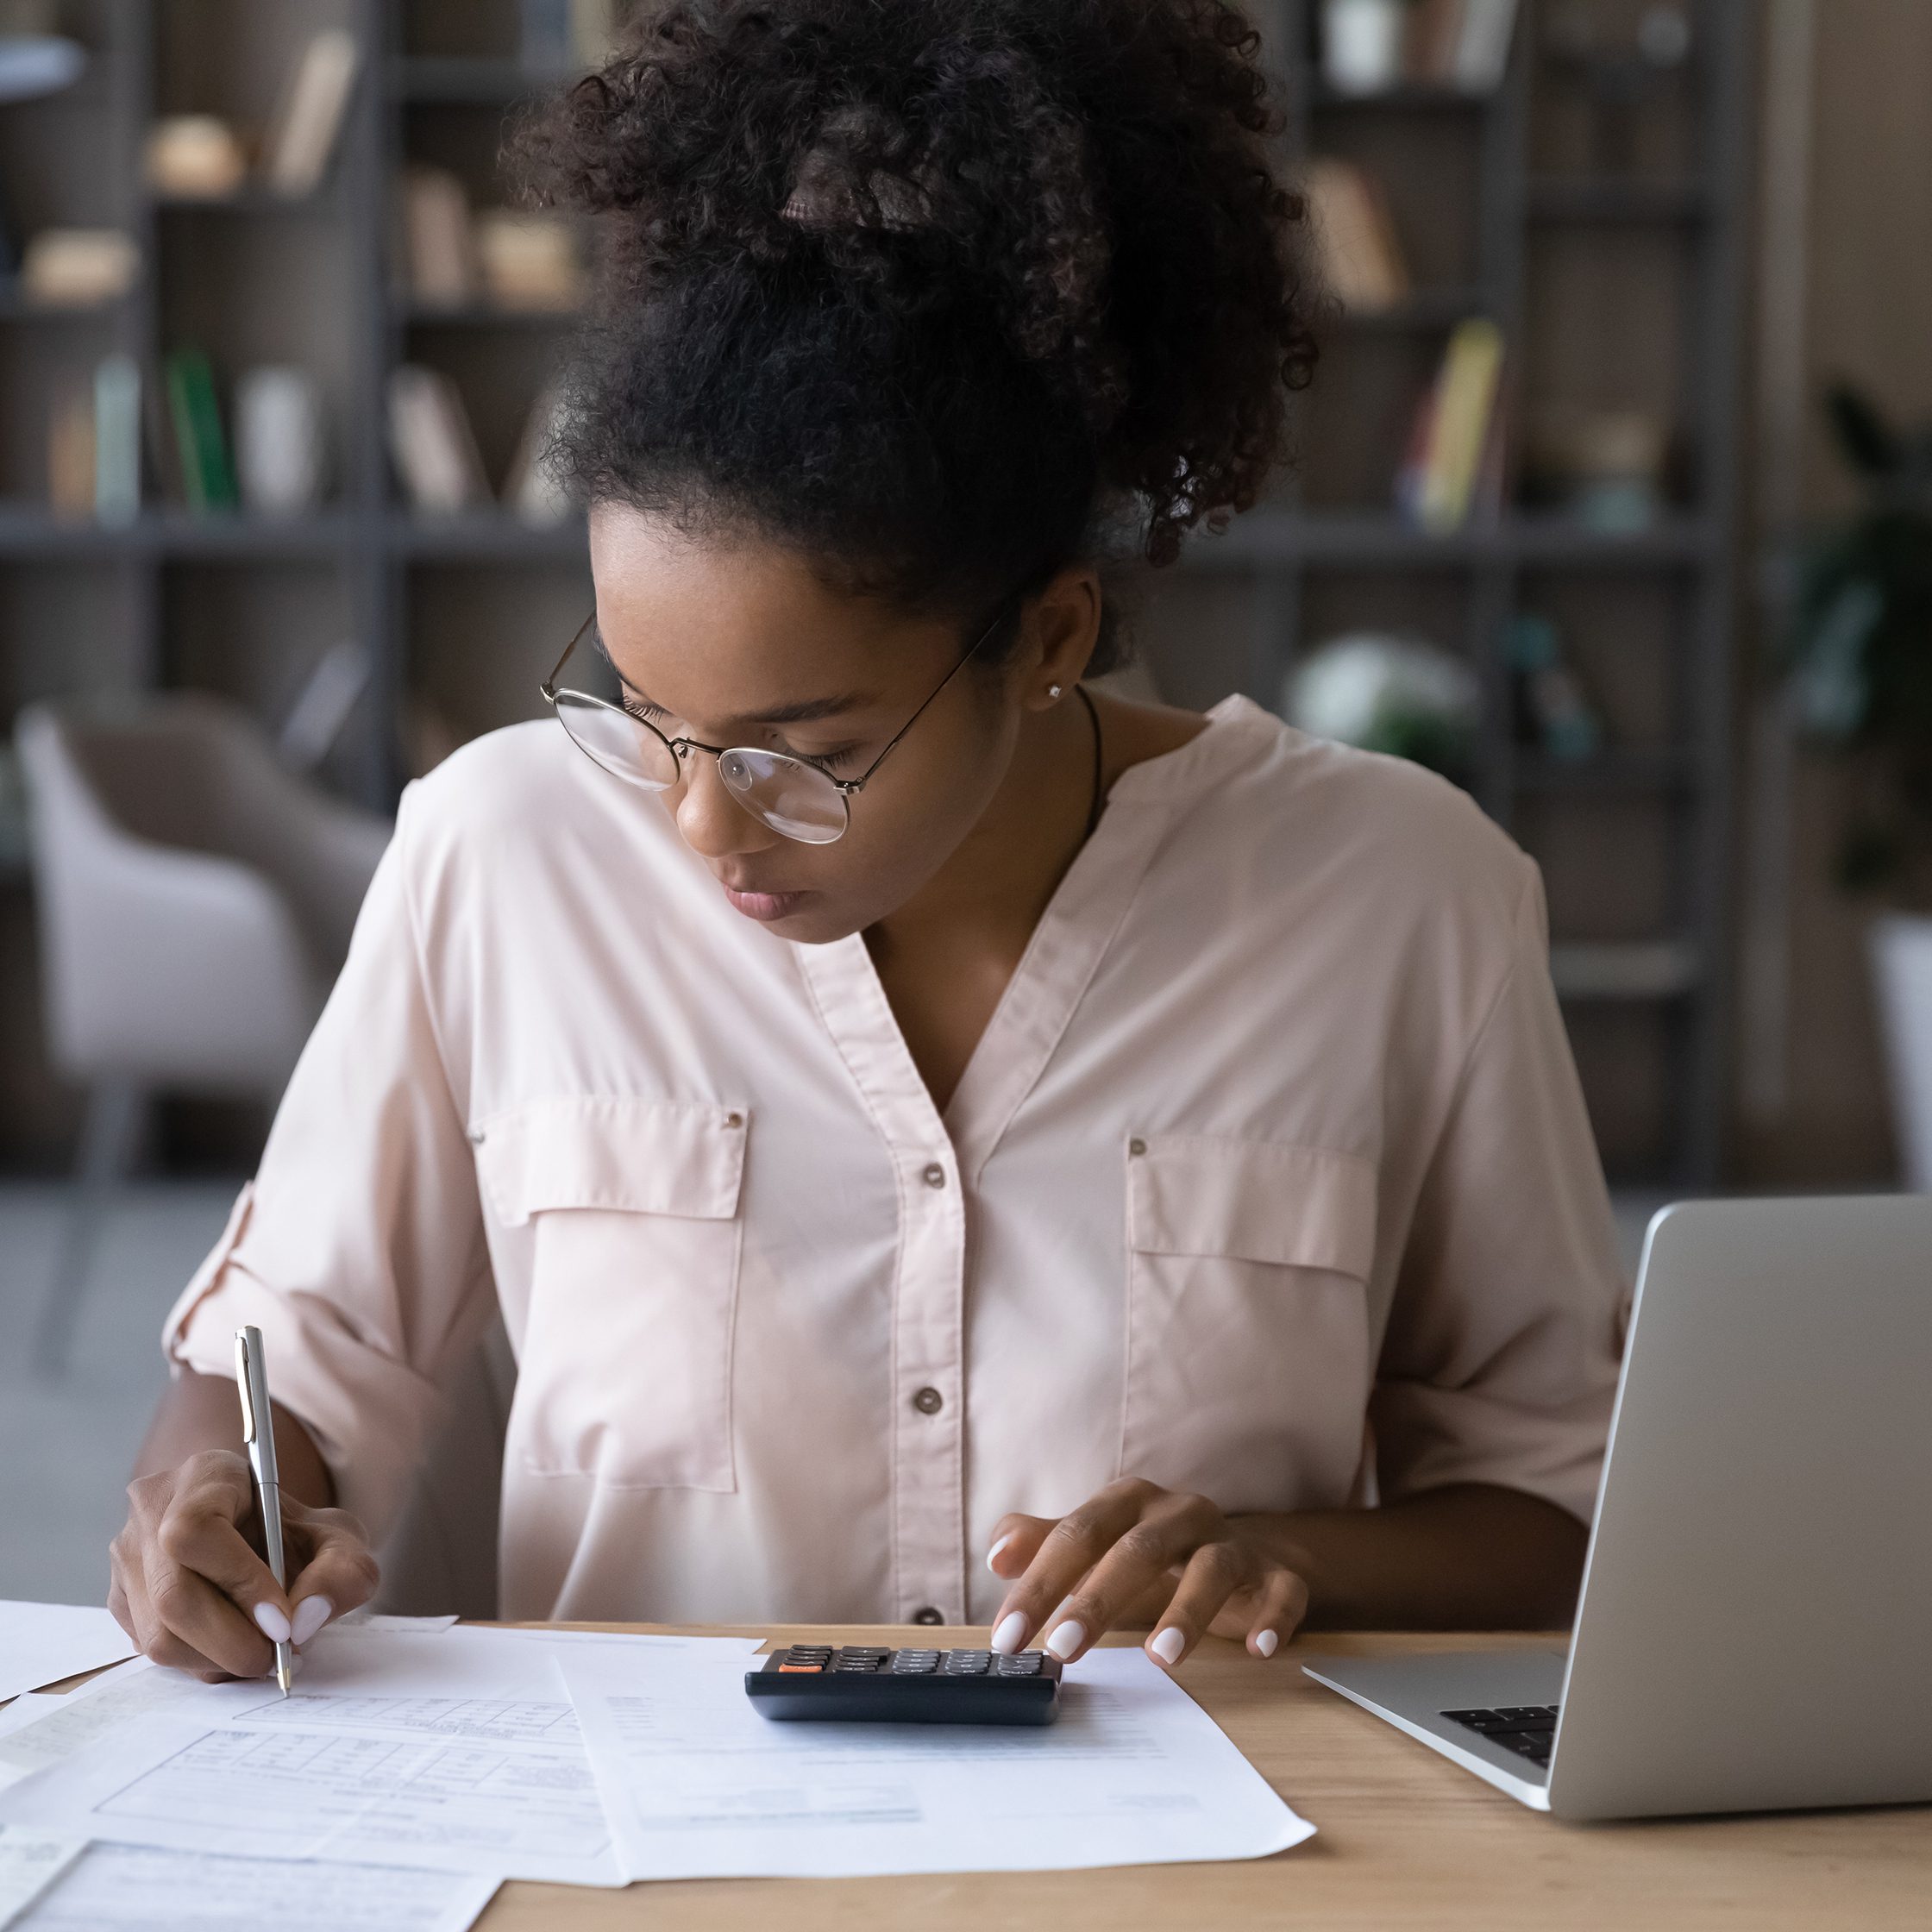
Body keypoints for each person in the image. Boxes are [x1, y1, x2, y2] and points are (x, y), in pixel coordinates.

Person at [109, 0, 1625, 1685]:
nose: (698, 821)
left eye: (804, 753)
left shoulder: (1401, 898)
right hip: (645, 1854)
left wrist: (1287, 1555)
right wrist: (212, 1499)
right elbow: (292, 1360)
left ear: (1048, 637)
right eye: (649, 713)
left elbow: (1558, 1504)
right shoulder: (501, 852)